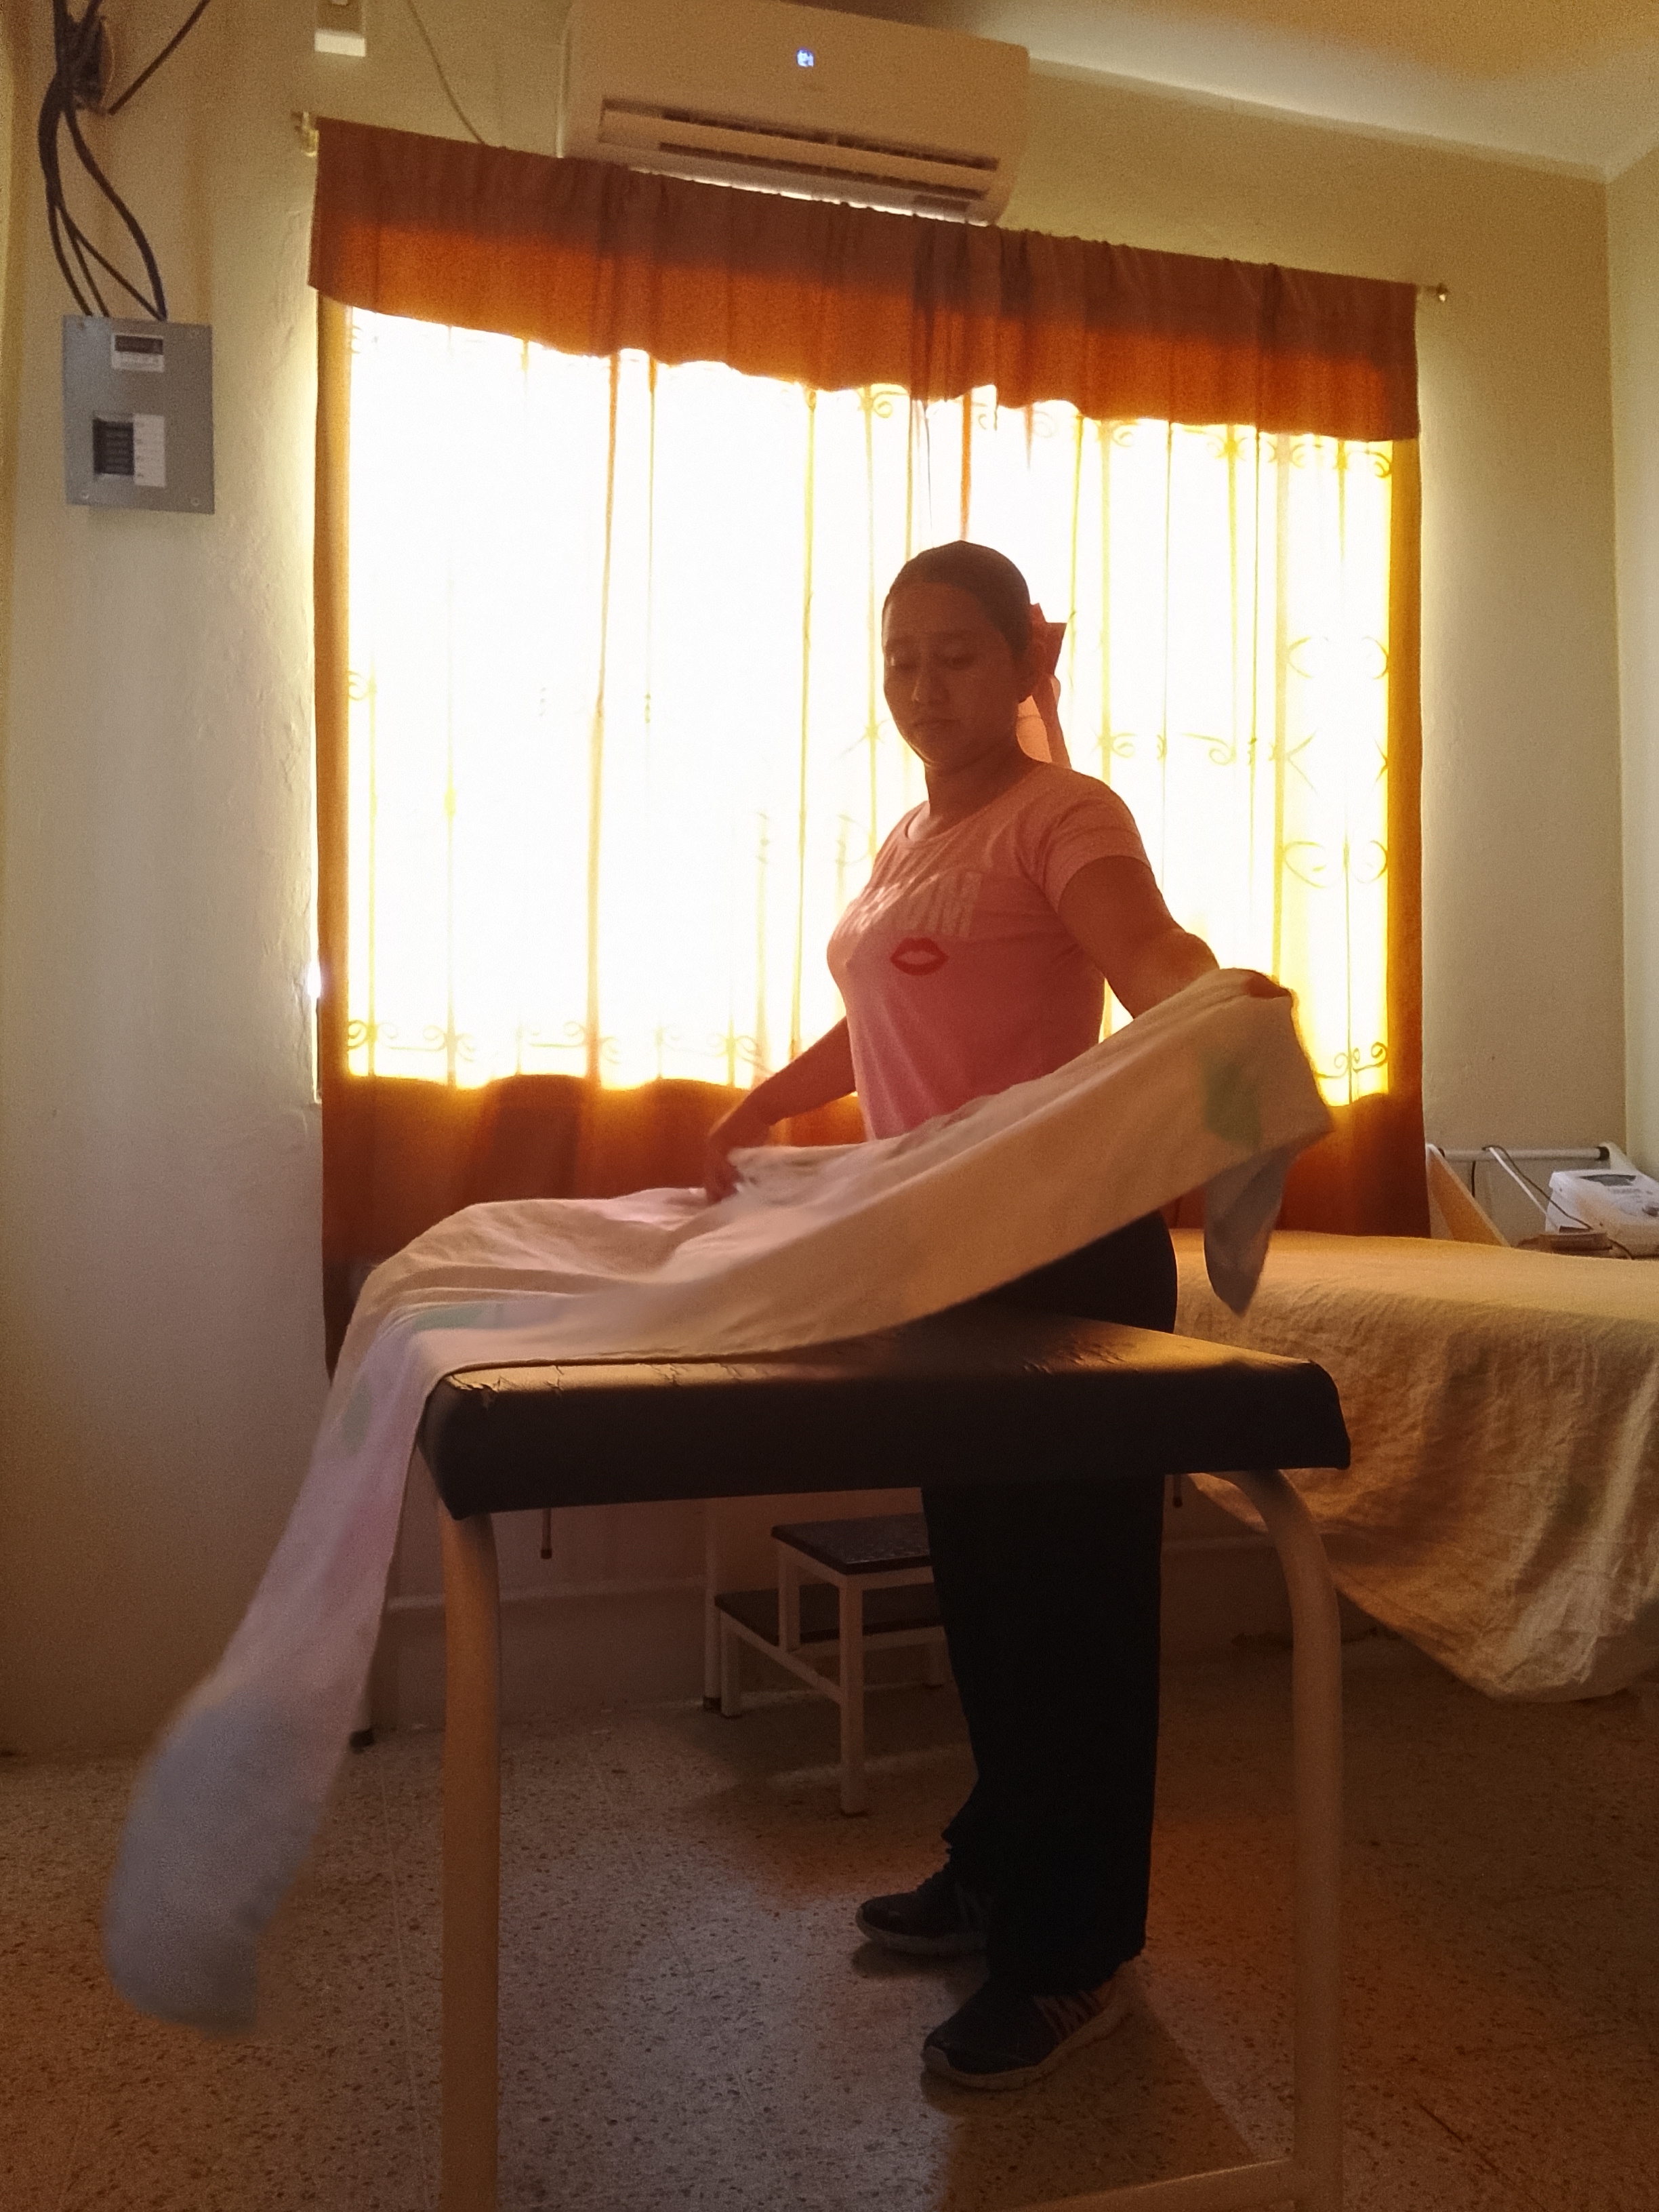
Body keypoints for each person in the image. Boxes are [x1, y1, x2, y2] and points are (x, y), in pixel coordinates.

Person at [703, 541, 1273, 2092]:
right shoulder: (912, 835)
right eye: (900, 658)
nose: (922, 685)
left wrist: (1221, 1018)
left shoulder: (1064, 815)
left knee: (1073, 1611)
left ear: (1028, 659)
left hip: (1066, 1260)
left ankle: (1074, 1956)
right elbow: (885, 1012)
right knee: (985, 1587)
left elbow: (1149, 953)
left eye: (956, 653)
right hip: (942, 1261)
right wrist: (769, 1100)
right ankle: (999, 1864)